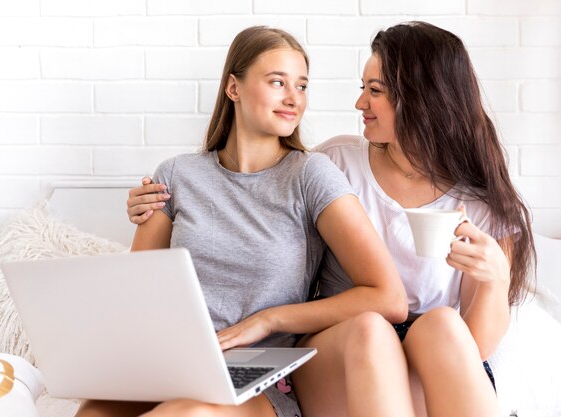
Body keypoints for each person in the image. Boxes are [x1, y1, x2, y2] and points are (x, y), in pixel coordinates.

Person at [126, 21, 536, 417]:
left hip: (432, 358)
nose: (359, 103)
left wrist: (495, 280)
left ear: (422, 99)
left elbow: (475, 347)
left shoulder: (486, 205)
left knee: (440, 323)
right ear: (234, 87)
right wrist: (153, 203)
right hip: (346, 348)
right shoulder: (336, 161)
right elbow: (264, 187)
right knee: (370, 327)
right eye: (364, 88)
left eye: (374, 91)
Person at [77, 26, 406, 417]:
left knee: (188, 413)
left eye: (301, 86)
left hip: (258, 376)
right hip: (175, 363)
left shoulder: (311, 175)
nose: (292, 98)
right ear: (234, 88)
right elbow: (137, 295)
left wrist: (268, 320)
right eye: (277, 82)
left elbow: (388, 297)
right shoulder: (175, 176)